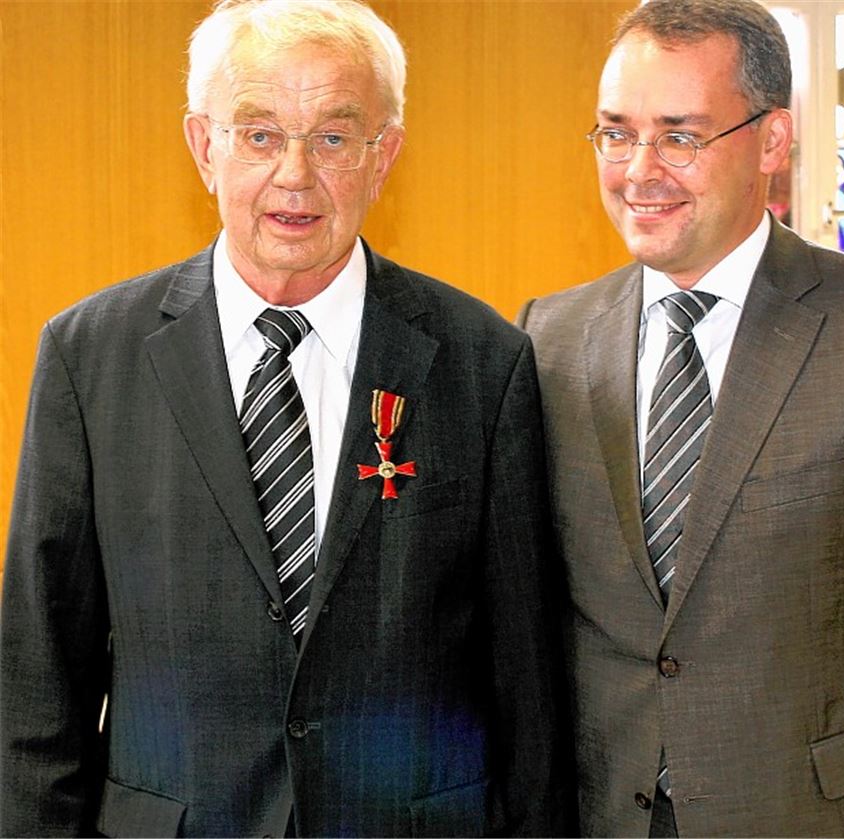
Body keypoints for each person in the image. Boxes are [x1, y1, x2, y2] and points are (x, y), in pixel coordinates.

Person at [0, 1, 569, 835]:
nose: (296, 175)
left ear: (386, 157)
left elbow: (528, 685)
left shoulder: (486, 363)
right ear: (204, 146)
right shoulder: (91, 357)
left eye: (335, 138)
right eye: (259, 134)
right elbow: (38, 675)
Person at [518, 0, 844, 835]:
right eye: (616, 131)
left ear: (774, 141)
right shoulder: (547, 335)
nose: (639, 169)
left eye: (680, 135)